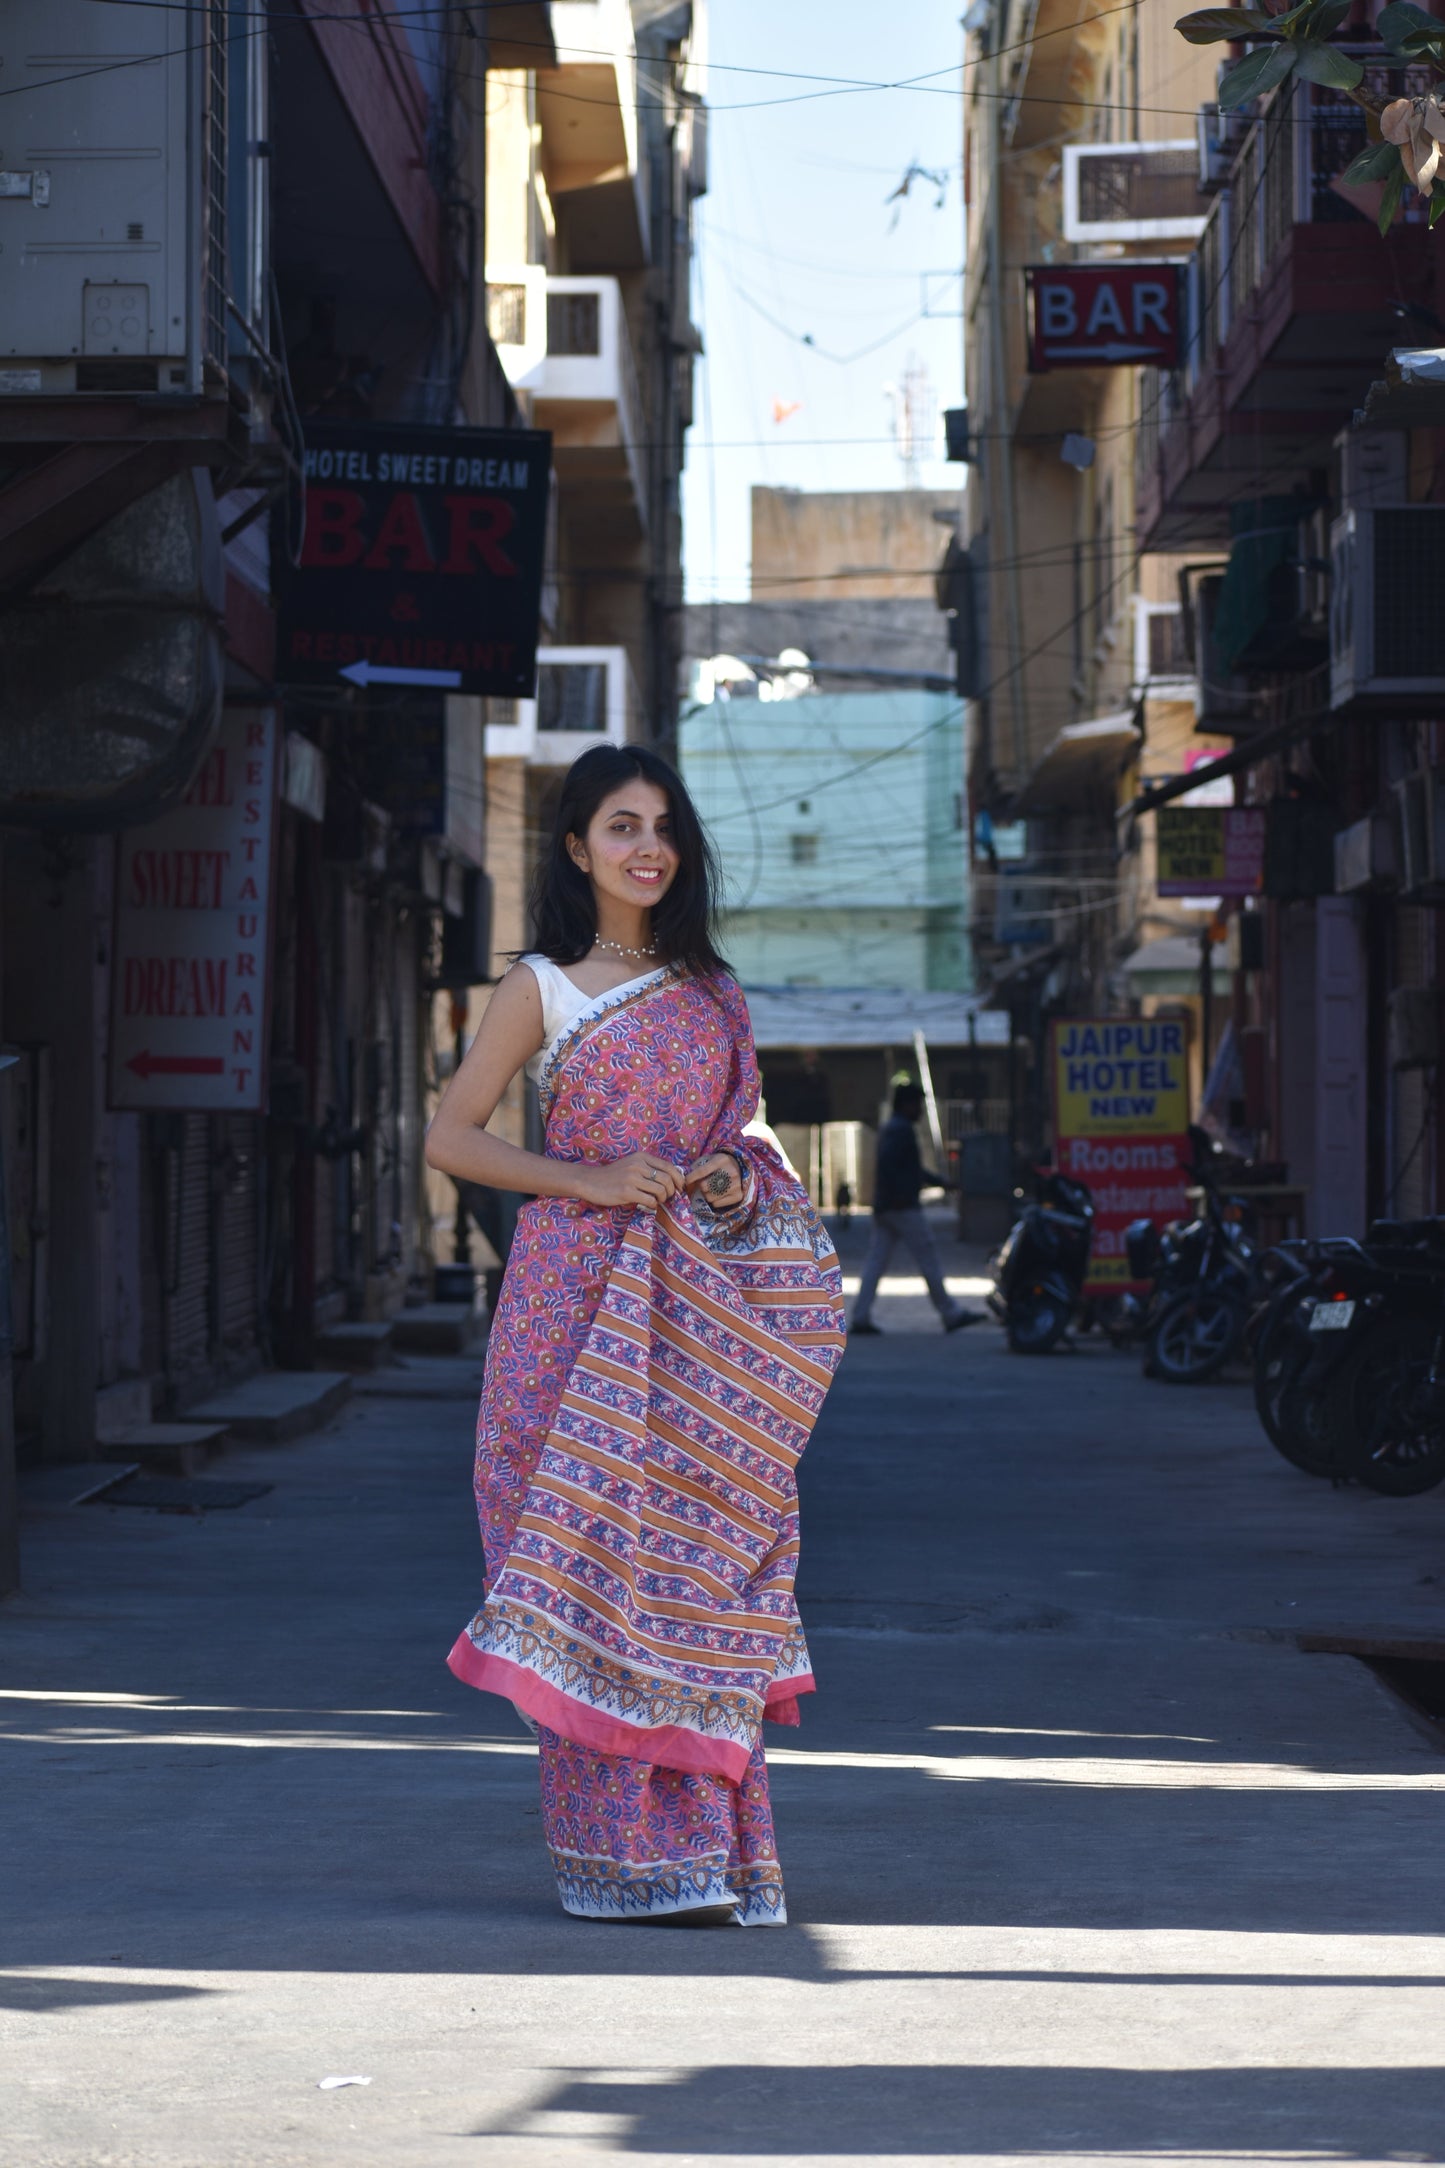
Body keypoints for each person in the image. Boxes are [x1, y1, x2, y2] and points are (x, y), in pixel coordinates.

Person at [425, 744, 844, 1928]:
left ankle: (708, 1853)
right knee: (582, 1560)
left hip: (694, 1319)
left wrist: (728, 1172)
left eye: (662, 825)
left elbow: (748, 1139)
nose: (646, 846)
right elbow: (451, 1137)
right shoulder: (541, 986)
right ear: (576, 846)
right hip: (567, 1302)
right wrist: (590, 1177)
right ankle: (612, 1858)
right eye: (620, 824)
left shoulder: (711, 988)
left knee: (695, 1558)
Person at [849, 1082, 985, 1336]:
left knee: (876, 1262)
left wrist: (939, 1182)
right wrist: (901, 1195)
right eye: (917, 1104)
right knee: (927, 1256)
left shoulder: (892, 1128)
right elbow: (894, 1167)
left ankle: (860, 1315)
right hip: (902, 1207)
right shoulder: (901, 1130)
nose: (920, 1110)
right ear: (906, 1105)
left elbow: (909, 1169)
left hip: (887, 1207)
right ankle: (950, 1313)